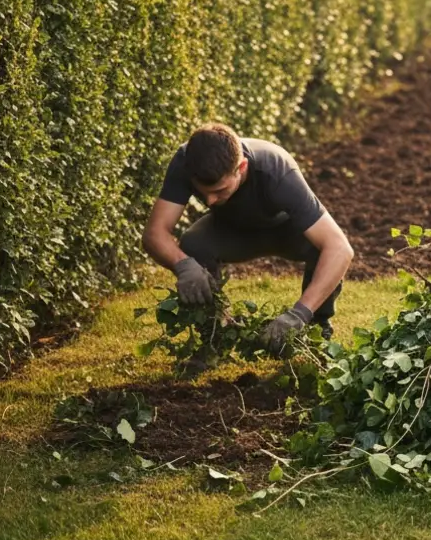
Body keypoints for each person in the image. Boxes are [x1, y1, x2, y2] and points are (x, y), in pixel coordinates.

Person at [142, 122, 353, 373]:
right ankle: (215, 337)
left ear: (241, 167)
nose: (209, 201)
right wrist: (183, 265)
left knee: (324, 249)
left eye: (219, 190)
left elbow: (340, 248)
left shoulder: (276, 170)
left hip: (285, 232)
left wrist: (299, 313)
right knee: (193, 245)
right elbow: (154, 233)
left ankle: (317, 333)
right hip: (232, 231)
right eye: (203, 192)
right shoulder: (186, 162)